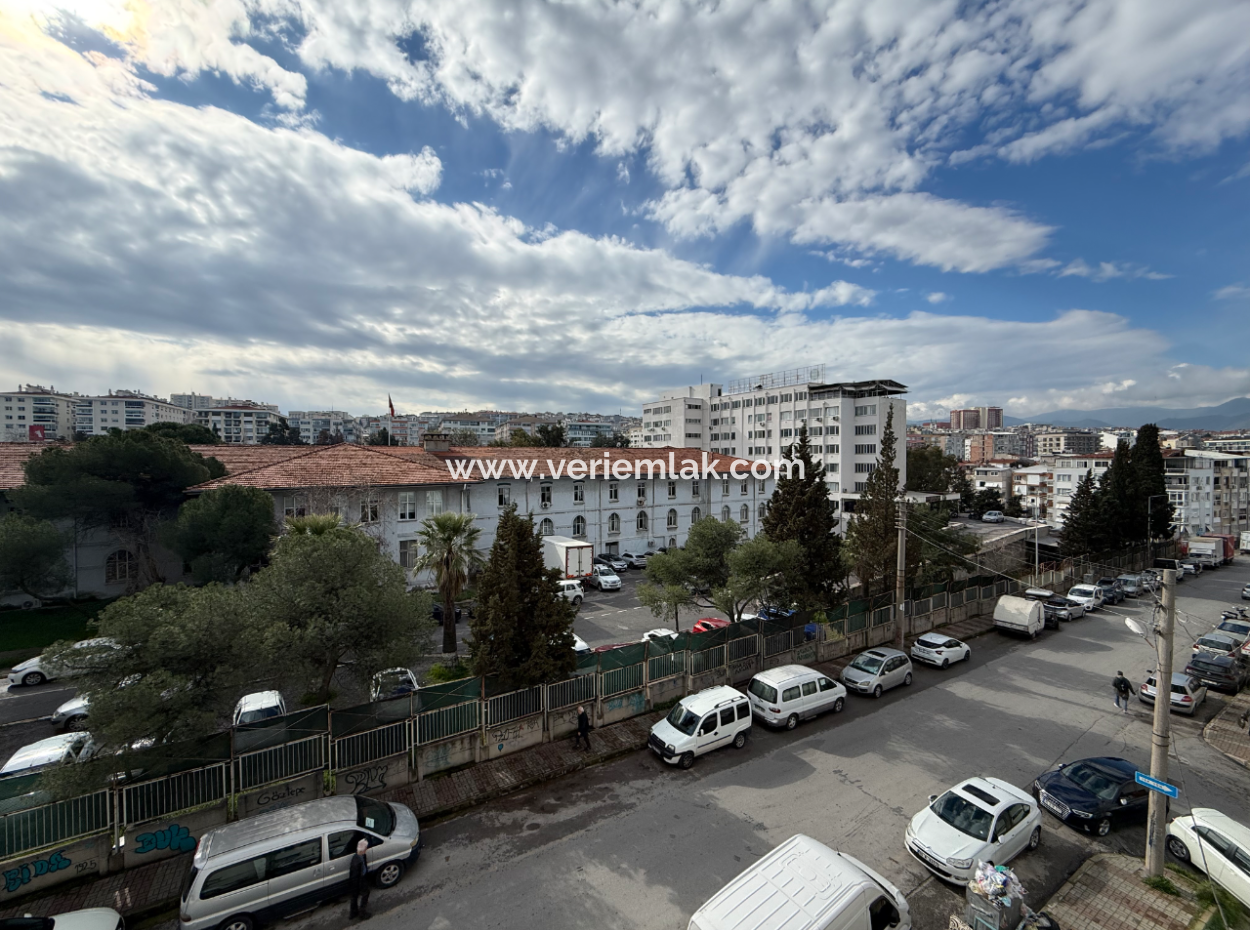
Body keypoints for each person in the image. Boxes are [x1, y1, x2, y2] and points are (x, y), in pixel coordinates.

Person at [348, 838, 372, 919]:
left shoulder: (359, 856)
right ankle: (362, 913)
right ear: (364, 849)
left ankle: (353, 913)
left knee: (354, 897)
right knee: (365, 893)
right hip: (360, 881)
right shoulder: (357, 862)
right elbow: (354, 877)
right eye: (366, 848)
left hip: (361, 879)